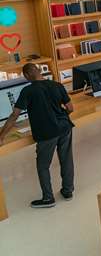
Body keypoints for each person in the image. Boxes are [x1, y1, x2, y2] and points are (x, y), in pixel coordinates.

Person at [0, 64, 74, 208]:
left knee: (43, 165)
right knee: (66, 159)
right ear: (39, 71)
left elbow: (15, 115)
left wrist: (1, 136)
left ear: (27, 75)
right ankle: (68, 191)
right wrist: (60, 118)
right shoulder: (57, 85)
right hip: (65, 127)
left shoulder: (28, 91)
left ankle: (48, 198)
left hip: (47, 133)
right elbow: (70, 108)